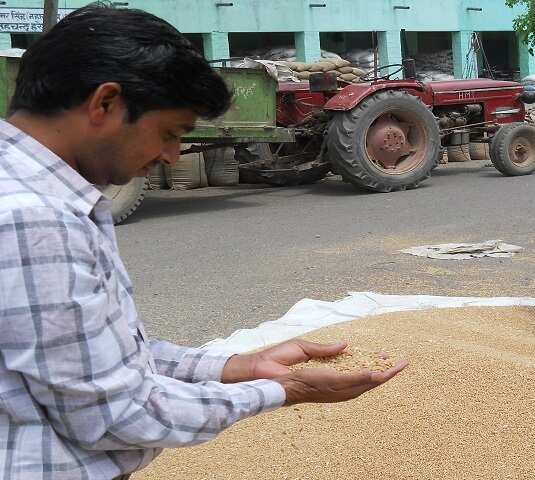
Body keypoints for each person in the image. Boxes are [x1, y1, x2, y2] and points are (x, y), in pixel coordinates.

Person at [0, 6, 406, 479]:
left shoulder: (35, 191)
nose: (172, 155)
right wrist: (283, 390)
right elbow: (119, 414)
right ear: (105, 104)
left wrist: (240, 365)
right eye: (169, 133)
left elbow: (87, 356)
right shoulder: (34, 218)